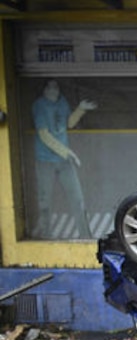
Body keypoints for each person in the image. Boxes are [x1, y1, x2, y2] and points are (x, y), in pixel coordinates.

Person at [32, 78, 97, 239]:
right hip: (45, 160)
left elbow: (69, 123)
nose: (53, 90)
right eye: (50, 87)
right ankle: (46, 237)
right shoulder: (39, 106)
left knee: (78, 199)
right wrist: (68, 153)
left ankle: (86, 237)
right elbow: (44, 135)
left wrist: (81, 109)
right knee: (45, 201)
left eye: (56, 87)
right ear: (44, 90)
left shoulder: (62, 102)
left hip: (64, 161)